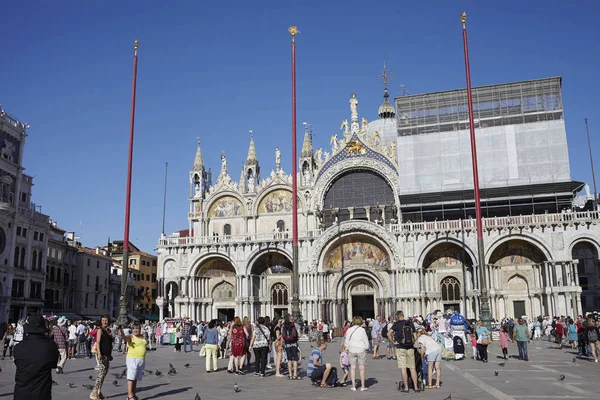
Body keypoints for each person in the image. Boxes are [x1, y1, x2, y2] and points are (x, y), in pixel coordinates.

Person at [13, 314, 59, 400]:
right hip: (41, 393)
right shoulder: (50, 346)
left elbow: (18, 363)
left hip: (21, 393)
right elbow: (53, 363)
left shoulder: (18, 347)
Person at [388, 311, 419, 393]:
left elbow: (388, 334)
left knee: (403, 368)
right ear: (403, 315)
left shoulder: (396, 324)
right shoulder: (410, 323)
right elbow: (416, 336)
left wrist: (393, 342)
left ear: (397, 317)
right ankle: (416, 387)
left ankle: (406, 388)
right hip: (410, 348)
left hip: (400, 347)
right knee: (412, 368)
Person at [121, 322, 147, 400]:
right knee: (131, 377)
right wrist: (122, 334)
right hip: (132, 359)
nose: (136, 330)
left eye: (137, 328)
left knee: (135, 378)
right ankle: (130, 396)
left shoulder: (142, 337)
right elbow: (125, 338)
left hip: (141, 359)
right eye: (134, 328)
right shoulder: (131, 336)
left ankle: (133, 394)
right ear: (132, 329)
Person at [343, 316, 370, 392]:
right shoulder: (362, 330)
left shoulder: (349, 330)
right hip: (361, 350)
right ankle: (363, 386)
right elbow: (365, 340)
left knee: (353, 368)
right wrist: (367, 347)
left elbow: (346, 340)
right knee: (362, 368)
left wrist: (347, 348)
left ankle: (353, 386)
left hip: (352, 349)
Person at [89, 316, 113, 400]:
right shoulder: (100, 330)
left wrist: (110, 354)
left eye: (106, 320)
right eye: (103, 320)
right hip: (102, 354)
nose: (105, 322)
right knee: (101, 374)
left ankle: (99, 391)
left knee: (104, 373)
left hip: (107, 354)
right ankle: (94, 392)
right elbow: (98, 342)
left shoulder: (108, 330)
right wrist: (99, 353)